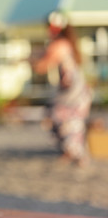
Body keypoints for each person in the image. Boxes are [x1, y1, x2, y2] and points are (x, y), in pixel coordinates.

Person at [33, 11, 93, 167]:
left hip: (73, 92)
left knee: (62, 117)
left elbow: (43, 66)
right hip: (72, 90)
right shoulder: (65, 43)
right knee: (66, 119)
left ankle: (77, 154)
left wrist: (28, 61)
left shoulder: (60, 44)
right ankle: (71, 152)